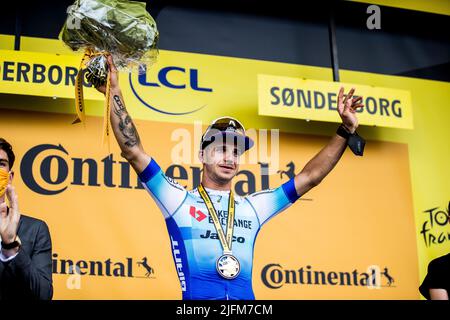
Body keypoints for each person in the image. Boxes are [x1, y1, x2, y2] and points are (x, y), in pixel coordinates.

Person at [97, 56, 364, 300]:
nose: (229, 158)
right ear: (202, 155)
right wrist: (114, 92)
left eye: (235, 152)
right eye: (221, 149)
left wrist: (345, 129)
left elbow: (310, 177)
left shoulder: (253, 207)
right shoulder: (178, 201)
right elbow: (133, 151)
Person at [0, 138, 53, 300]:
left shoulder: (35, 230)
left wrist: (11, 245)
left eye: (1, 164)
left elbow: (43, 295)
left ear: (10, 177)